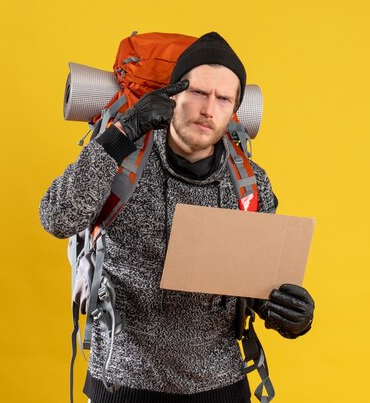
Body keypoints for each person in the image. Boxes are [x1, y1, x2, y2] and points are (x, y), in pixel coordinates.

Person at [40, 32, 315, 403]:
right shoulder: (121, 158)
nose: (208, 109)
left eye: (223, 99)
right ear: (173, 95)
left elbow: (254, 282)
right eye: (199, 92)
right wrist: (124, 132)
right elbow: (56, 217)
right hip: (122, 383)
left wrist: (286, 311)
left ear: (234, 109)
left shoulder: (249, 183)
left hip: (220, 384)